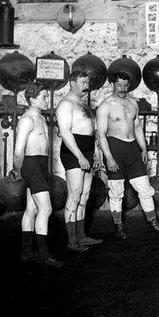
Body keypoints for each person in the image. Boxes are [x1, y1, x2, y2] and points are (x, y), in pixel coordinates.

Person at [96, 72, 159, 239]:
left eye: (125, 85)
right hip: (115, 148)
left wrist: (143, 149)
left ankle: (153, 224)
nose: (122, 89)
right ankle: (118, 227)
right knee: (116, 191)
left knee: (145, 188)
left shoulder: (132, 103)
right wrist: (109, 158)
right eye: (119, 85)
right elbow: (101, 135)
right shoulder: (105, 106)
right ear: (112, 85)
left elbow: (137, 127)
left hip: (133, 149)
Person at [13, 82, 62, 267]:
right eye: (43, 97)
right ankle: (44, 255)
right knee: (46, 209)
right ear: (32, 99)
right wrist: (17, 170)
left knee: (32, 209)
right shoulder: (27, 120)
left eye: (47, 96)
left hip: (41, 165)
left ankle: (27, 253)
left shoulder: (41, 117)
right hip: (31, 165)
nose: (47, 100)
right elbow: (18, 150)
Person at [57, 71, 103, 252]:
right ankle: (71, 241)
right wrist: (80, 157)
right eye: (83, 82)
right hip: (73, 152)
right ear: (72, 83)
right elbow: (65, 133)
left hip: (88, 150)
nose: (87, 85)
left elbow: (92, 132)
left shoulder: (82, 104)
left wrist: (96, 153)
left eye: (88, 82)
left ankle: (81, 236)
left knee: (84, 195)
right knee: (75, 195)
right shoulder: (65, 104)